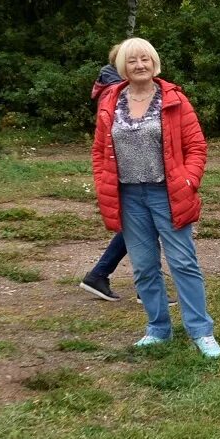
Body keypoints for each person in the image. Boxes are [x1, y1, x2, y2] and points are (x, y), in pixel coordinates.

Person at [90, 38, 220, 358]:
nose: (140, 65)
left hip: (168, 192)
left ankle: (201, 331)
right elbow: (98, 150)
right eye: (132, 60)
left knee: (182, 263)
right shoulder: (111, 99)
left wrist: (188, 181)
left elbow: (197, 147)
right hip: (129, 195)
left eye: (145, 59)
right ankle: (158, 329)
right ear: (123, 66)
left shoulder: (173, 99)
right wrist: (102, 182)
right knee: (145, 267)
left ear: (154, 63)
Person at [81, 60, 130, 301]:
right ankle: (101, 274)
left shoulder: (114, 86)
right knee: (139, 225)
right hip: (125, 171)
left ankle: (100, 274)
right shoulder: (117, 91)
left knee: (139, 226)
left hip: (125, 170)